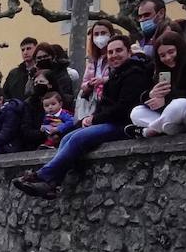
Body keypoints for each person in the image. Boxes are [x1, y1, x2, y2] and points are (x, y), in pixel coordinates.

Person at [15, 35, 153, 200]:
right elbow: (105, 107)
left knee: (78, 138)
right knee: (68, 137)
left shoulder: (134, 74)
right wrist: (89, 119)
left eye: (119, 51)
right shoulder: (115, 76)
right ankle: (52, 184)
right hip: (108, 120)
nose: (114, 55)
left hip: (123, 124)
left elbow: (123, 108)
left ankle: (43, 175)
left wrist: (94, 119)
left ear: (129, 52)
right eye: (110, 52)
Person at [127, 31, 186, 138]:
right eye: (162, 55)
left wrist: (167, 98)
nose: (168, 58)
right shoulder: (156, 70)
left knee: (178, 104)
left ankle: (148, 131)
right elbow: (143, 95)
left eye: (171, 52)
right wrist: (150, 95)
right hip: (165, 114)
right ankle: (170, 128)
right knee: (136, 112)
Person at [78, 20, 117, 118]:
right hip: (93, 104)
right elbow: (84, 85)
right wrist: (90, 84)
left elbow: (119, 77)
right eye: (96, 34)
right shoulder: (93, 60)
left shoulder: (115, 57)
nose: (99, 37)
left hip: (109, 103)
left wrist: (103, 81)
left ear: (111, 35)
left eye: (103, 33)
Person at [2, 37, 39, 101]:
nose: (25, 52)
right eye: (23, 50)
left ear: (37, 49)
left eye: (29, 49)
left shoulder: (42, 71)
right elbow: (5, 94)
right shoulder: (13, 74)